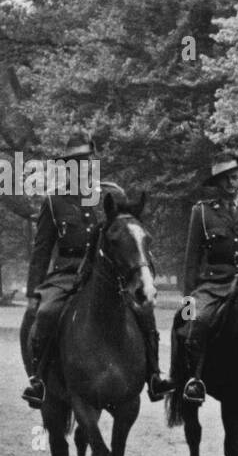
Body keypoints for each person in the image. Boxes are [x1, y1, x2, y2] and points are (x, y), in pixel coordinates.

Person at [21, 137, 169, 409]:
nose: (84, 168)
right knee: (45, 313)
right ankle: (38, 380)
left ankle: (155, 374)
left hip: (110, 273)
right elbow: (42, 252)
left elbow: (130, 234)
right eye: (77, 164)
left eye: (87, 162)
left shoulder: (112, 195)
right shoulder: (55, 202)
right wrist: (33, 291)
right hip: (67, 273)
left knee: (144, 311)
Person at [174, 153, 238, 405]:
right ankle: (193, 379)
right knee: (193, 321)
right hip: (212, 285)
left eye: (234, 178)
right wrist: (188, 298)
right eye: (225, 180)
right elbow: (191, 261)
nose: (231, 183)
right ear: (217, 184)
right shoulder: (202, 212)